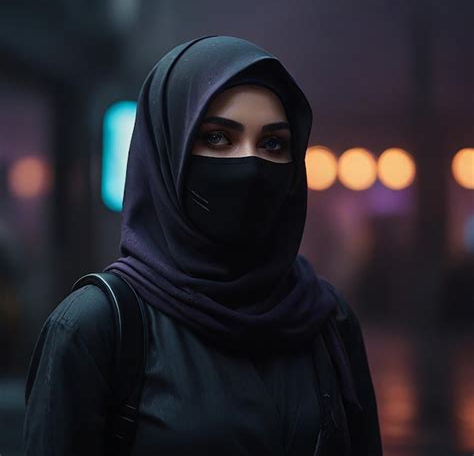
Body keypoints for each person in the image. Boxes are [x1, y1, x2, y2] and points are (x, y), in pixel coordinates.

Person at [23, 34, 383, 455]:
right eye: (217, 138)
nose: (249, 165)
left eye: (272, 144)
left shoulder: (328, 321)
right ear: (167, 153)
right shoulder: (94, 328)